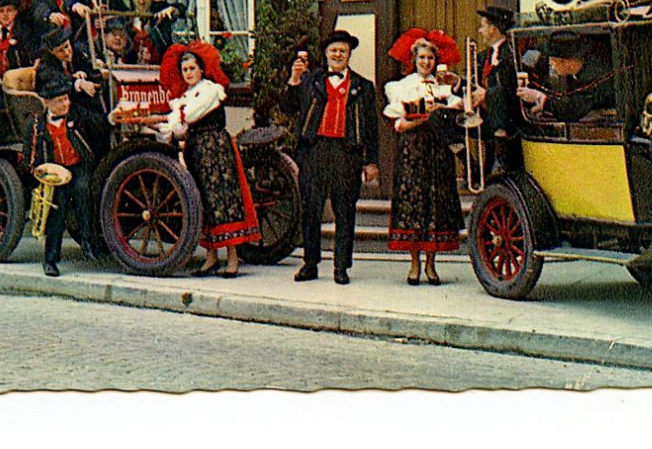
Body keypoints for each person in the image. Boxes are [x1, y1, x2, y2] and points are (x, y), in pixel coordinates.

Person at [153, 43, 260, 277]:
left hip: (215, 148)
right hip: (196, 149)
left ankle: (232, 257)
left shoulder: (210, 90)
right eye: (185, 70)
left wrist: (171, 122)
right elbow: (178, 128)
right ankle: (211, 257)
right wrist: (160, 123)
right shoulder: (185, 96)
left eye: (192, 68)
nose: (189, 73)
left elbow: (188, 116)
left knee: (222, 198)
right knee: (202, 200)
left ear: (202, 70)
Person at [283, 29, 379, 285]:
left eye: (343, 51)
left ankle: (341, 266)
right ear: (326, 54)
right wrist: (293, 79)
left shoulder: (363, 86)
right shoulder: (310, 80)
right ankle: (310, 263)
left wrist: (371, 161)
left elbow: (371, 128)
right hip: (315, 151)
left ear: (349, 55)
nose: (338, 54)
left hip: (347, 153)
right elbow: (289, 107)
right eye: (334, 50)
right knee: (311, 209)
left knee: (345, 211)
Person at [383, 28, 465, 286]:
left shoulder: (445, 87)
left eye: (430, 58)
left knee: (436, 207)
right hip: (413, 151)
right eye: (421, 59)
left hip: (438, 151)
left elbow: (456, 113)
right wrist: (424, 116)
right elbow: (400, 123)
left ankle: (431, 264)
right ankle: (414, 263)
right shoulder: (403, 87)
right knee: (414, 206)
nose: (426, 63)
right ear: (414, 60)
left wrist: (445, 105)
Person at [25, 79, 108, 277]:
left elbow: (98, 124)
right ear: (47, 102)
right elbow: (30, 155)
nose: (66, 104)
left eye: (66, 99)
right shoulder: (36, 124)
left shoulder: (76, 114)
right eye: (60, 101)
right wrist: (41, 172)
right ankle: (50, 260)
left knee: (84, 190)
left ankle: (88, 242)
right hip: (55, 172)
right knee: (56, 207)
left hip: (78, 166)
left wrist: (111, 119)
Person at [518, 31, 618, 124]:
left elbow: (574, 108)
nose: (551, 65)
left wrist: (541, 99)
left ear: (567, 61)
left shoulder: (595, 78)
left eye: (553, 60)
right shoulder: (579, 70)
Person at [467, 5, 520, 176]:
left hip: (508, 118)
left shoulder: (513, 52)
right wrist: (455, 83)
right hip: (484, 116)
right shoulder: (483, 56)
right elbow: (473, 84)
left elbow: (511, 88)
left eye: (483, 26)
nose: (480, 30)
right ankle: (467, 160)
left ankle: (502, 160)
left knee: (496, 93)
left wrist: (487, 95)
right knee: (440, 118)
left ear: (493, 29)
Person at [125, 0, 185, 64]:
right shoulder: (127, 17)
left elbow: (182, 8)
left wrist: (172, 9)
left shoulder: (160, 9)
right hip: (133, 65)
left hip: (160, 63)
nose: (141, 1)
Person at [0, 0, 36, 86]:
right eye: (1, 11)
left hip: (16, 83)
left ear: (15, 12)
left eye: (9, 10)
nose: (5, 15)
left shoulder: (25, 33)